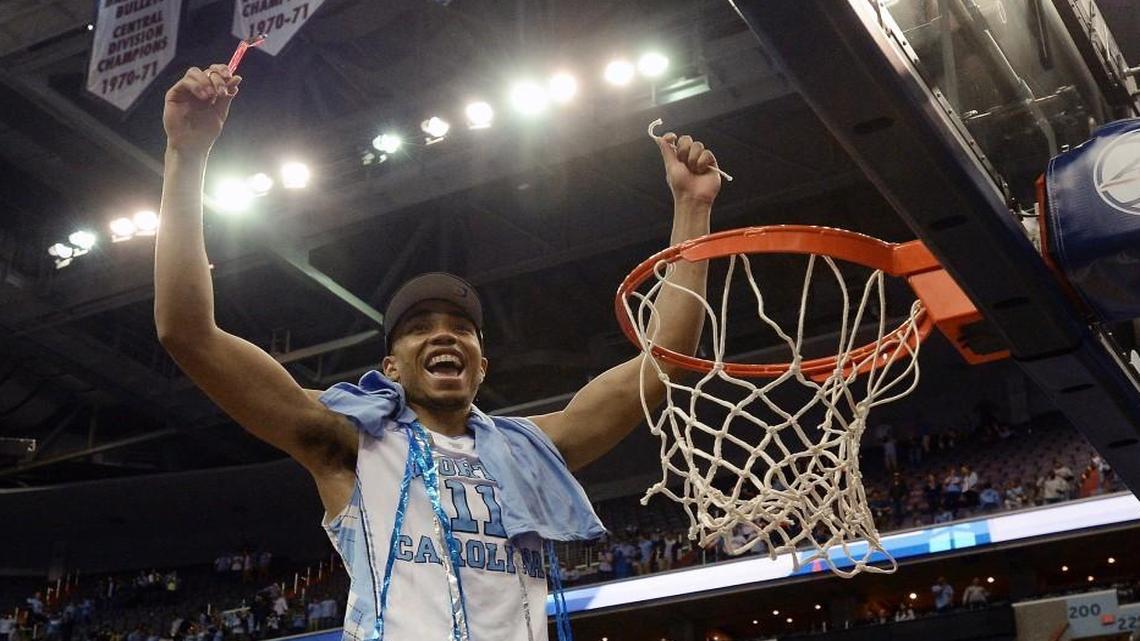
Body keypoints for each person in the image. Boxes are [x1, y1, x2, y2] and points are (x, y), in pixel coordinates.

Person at [155, 64, 720, 641]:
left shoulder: (532, 450)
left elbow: (665, 360)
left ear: (481, 366)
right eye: (421, 327)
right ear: (391, 367)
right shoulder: (349, 440)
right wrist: (186, 154)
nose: (445, 335)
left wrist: (691, 209)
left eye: (462, 329)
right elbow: (187, 333)